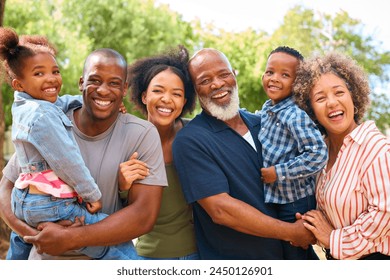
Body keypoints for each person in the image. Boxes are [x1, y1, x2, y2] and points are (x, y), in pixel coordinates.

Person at [0, 46, 167, 259]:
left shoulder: (141, 133)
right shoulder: (52, 122)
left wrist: (71, 238)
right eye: (95, 81)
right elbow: (5, 187)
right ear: (81, 83)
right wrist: (33, 235)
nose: (104, 90)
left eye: (114, 83)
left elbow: (143, 217)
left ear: (124, 89)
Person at [172, 48, 316, 260]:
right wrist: (291, 232)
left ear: (234, 75)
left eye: (224, 74)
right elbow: (221, 210)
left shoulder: (266, 124)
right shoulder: (191, 140)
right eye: (205, 80)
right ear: (194, 90)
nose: (218, 84)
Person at [293, 52, 390, 260]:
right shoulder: (319, 155)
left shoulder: (376, 148)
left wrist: (334, 239)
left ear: (353, 97)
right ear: (311, 111)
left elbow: (385, 213)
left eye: (339, 92)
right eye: (320, 98)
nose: (332, 102)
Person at [126, 45, 198, 259]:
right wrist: (122, 183)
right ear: (144, 96)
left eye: (176, 94)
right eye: (158, 91)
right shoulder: (128, 140)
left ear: (184, 102)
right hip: (147, 256)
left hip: (198, 254)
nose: (167, 99)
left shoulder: (196, 135)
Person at [256, 46, 328, 259]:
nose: (274, 79)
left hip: (296, 201)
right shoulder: (269, 108)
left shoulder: (295, 115)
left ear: (297, 83)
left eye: (285, 75)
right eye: (270, 72)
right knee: (285, 252)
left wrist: (278, 172)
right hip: (278, 198)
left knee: (297, 252)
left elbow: (318, 154)